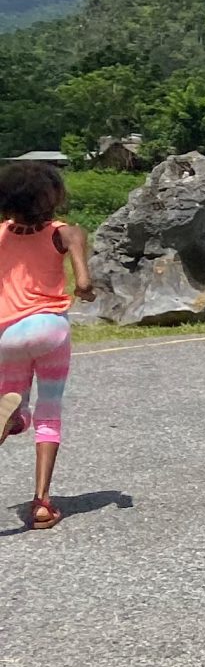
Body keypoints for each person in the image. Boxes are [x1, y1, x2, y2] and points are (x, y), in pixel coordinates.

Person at [0, 160, 91, 530]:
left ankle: (14, 417)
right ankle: (41, 504)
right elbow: (84, 284)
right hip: (49, 328)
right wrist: (87, 288)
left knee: (12, 397)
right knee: (49, 414)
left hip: (6, 335)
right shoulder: (66, 233)